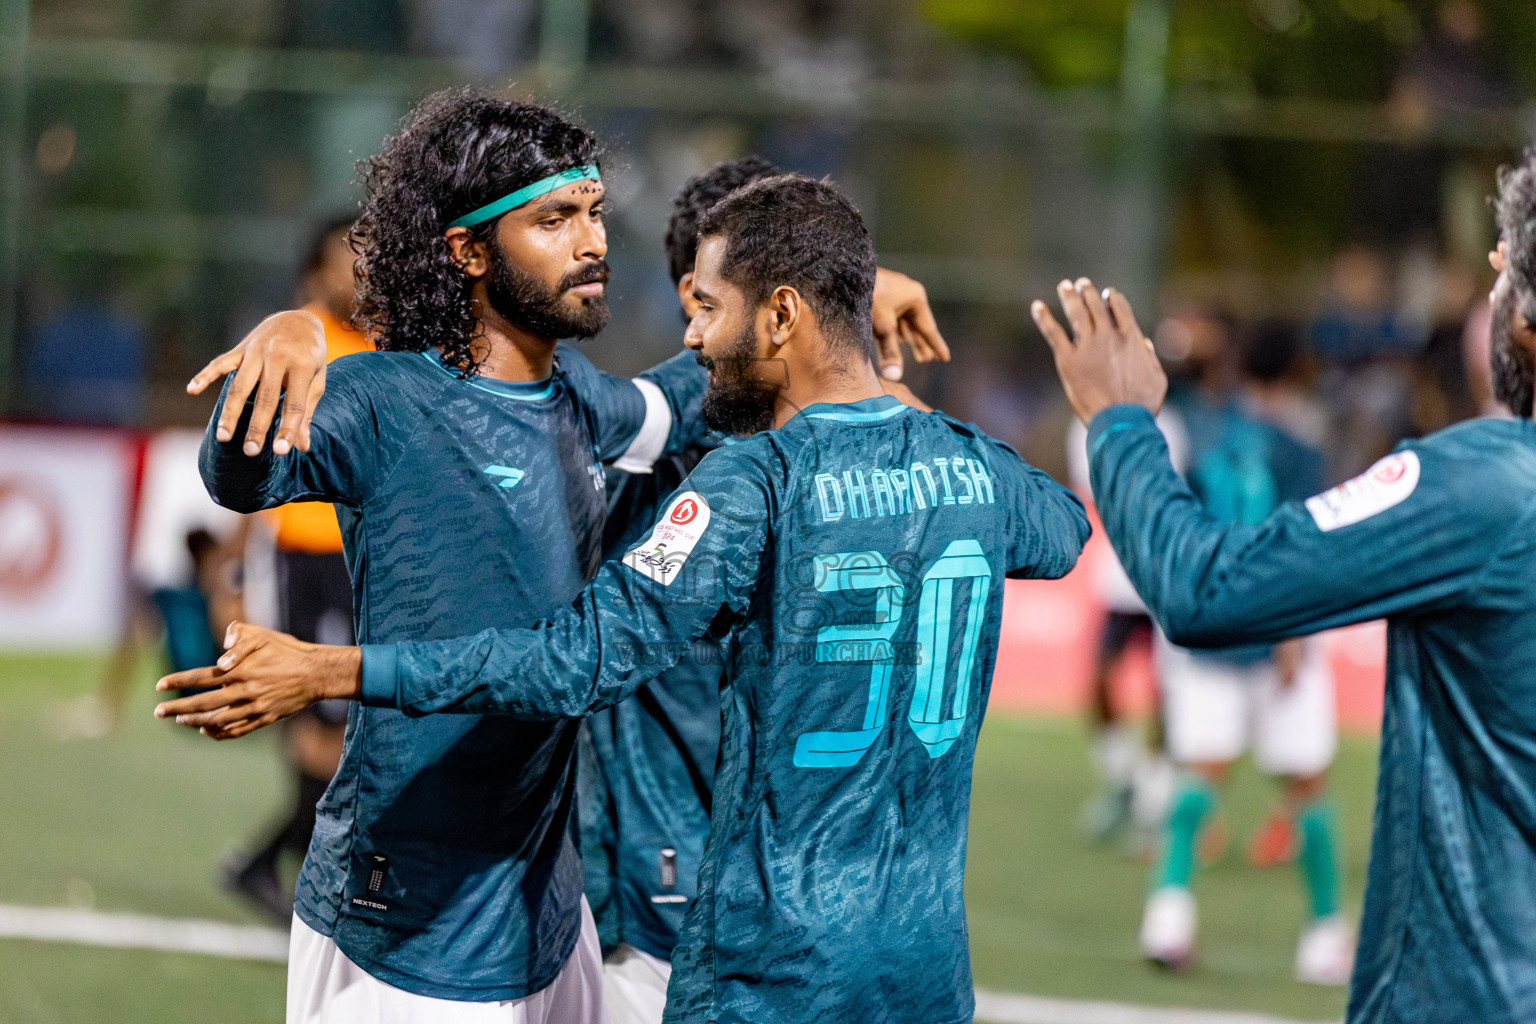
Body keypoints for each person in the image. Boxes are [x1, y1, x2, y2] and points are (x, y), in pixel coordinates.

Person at [156, 173, 1090, 1024]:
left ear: (778, 317)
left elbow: (576, 659)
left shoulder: (748, 483)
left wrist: (337, 667)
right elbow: (1063, 530)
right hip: (923, 969)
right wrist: (873, 379)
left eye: (707, 309)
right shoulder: (968, 468)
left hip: (758, 962)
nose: (689, 337)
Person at [179, 90, 721, 1023]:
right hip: (407, 917)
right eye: (553, 219)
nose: (591, 241)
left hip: (547, 904)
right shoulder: (384, 398)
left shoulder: (582, 402)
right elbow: (236, 476)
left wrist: (845, 300)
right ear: (468, 252)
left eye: (592, 213)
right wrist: (285, 335)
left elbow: (686, 397)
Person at [1029, 149, 1536, 1023]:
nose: (1484, 296)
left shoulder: (1485, 487)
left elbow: (1205, 589)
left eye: (1502, 270)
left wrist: (1118, 420)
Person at [587, 155, 949, 1024]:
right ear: (696, 295)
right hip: (671, 893)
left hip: (790, 913)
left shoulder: (836, 457)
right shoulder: (657, 449)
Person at [1135, 313, 1348, 985]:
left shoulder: (1204, 433)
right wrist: (1292, 634)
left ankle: (1167, 916)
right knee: (1307, 784)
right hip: (1275, 629)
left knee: (1201, 777)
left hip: (1211, 623)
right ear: (1295, 371)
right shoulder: (1298, 448)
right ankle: (1322, 936)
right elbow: (1302, 546)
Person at [223, 215, 372, 925]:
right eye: (348, 257)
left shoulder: (383, 344)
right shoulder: (298, 338)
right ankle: (302, 878)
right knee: (320, 728)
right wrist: (230, 573)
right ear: (316, 270)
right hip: (308, 554)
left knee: (343, 729)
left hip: (360, 555)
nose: (361, 270)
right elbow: (250, 455)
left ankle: (264, 863)